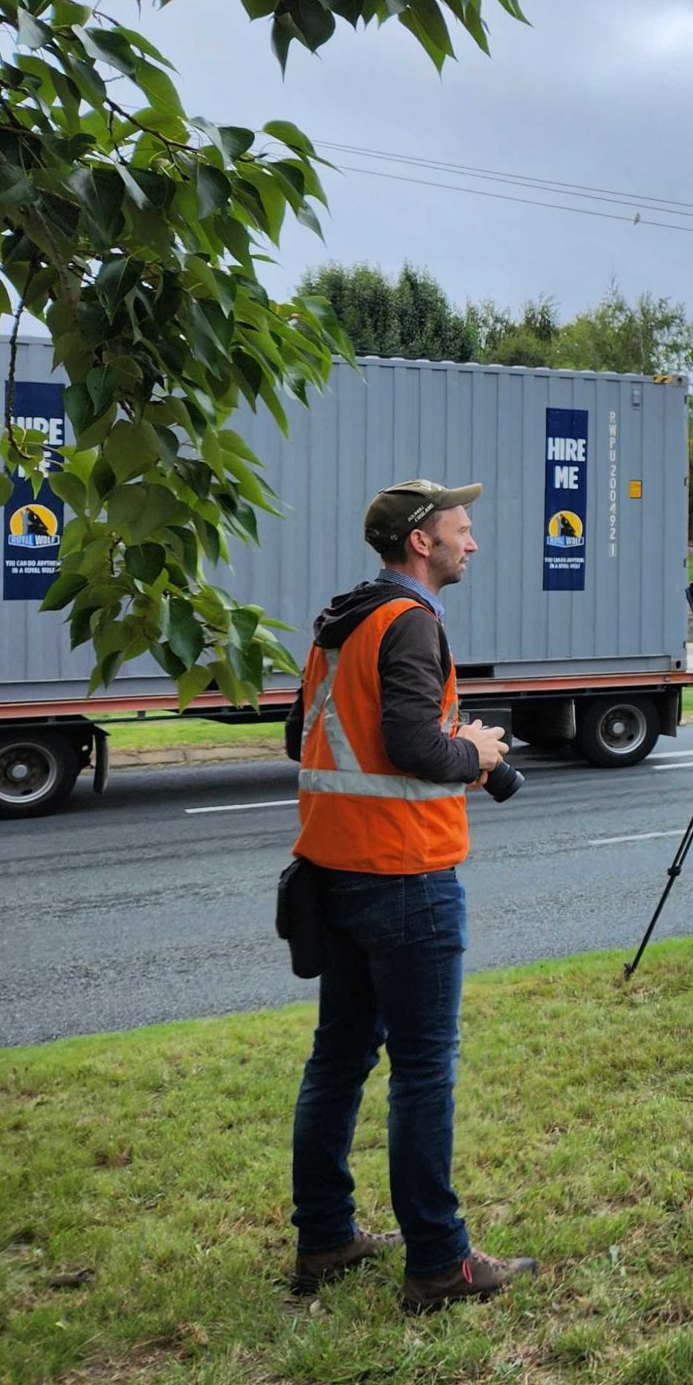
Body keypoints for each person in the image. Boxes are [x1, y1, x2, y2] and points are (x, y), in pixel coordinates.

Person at [284, 478, 537, 1311]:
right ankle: (438, 1262)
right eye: (463, 530)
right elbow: (413, 747)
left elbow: (302, 737)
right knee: (423, 1070)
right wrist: (479, 751)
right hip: (405, 876)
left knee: (340, 1058)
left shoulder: (342, 621)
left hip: (334, 870)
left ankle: (324, 1240)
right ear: (422, 541)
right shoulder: (414, 622)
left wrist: (450, 741)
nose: (474, 543)